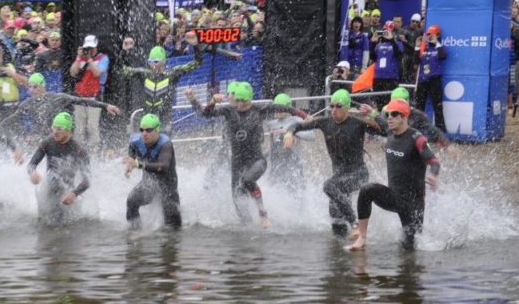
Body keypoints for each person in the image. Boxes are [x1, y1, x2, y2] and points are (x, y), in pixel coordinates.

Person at [186, 81, 302, 227]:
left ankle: (263, 215)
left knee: (248, 180)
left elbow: (284, 107)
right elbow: (204, 113)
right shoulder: (229, 110)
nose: (240, 104)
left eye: (243, 101)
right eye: (238, 100)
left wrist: (305, 116)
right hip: (237, 162)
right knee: (239, 203)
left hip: (257, 160)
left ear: (249, 100)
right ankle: (246, 235)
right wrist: (199, 100)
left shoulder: (258, 109)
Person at [284, 89, 386, 236]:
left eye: (338, 106)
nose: (334, 110)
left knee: (329, 186)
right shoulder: (325, 123)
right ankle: (345, 249)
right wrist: (289, 133)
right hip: (339, 177)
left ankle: (355, 224)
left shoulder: (358, 124)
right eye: (332, 106)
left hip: (358, 174)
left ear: (347, 108)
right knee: (335, 218)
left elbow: (386, 131)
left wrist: (375, 114)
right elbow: (298, 126)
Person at [348, 98, 441, 251]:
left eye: (394, 114)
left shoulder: (417, 138)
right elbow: (380, 119)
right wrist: (371, 112)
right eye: (388, 114)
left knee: (410, 248)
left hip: (413, 204)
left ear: (404, 117)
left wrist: (433, 175)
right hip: (394, 197)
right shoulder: (390, 132)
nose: (389, 117)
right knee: (366, 190)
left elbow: (434, 161)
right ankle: (362, 237)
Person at [0, 72, 120, 148]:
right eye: (30, 87)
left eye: (35, 87)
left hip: (61, 139)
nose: (32, 90)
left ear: (43, 86)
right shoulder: (27, 104)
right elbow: (13, 118)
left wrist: (106, 106)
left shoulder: (58, 98)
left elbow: (82, 100)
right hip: (43, 141)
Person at [27, 112, 91, 224]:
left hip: (68, 192)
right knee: (44, 223)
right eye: (54, 127)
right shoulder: (47, 143)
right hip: (49, 189)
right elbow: (31, 165)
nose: (55, 132)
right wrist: (32, 173)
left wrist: (74, 194)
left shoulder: (79, 149)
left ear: (68, 130)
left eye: (59, 129)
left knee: (72, 225)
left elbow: (87, 180)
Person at [124, 43, 202, 133]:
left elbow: (197, 63)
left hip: (164, 123)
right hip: (147, 121)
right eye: (150, 62)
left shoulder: (171, 74)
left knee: (163, 144)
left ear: (164, 62)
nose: (153, 65)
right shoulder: (144, 74)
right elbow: (120, 70)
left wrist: (195, 45)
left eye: (156, 61)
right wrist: (124, 51)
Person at [122, 113, 181, 229]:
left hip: (168, 187)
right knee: (131, 201)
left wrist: (138, 164)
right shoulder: (135, 141)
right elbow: (132, 154)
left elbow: (163, 166)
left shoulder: (165, 144)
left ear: (157, 130)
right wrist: (130, 163)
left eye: (148, 130)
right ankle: (135, 234)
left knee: (172, 229)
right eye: (142, 130)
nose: (144, 134)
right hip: (149, 184)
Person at [68, 34, 109, 152]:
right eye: (87, 48)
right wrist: (78, 57)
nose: (89, 50)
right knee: (79, 128)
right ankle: (77, 151)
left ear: (96, 47)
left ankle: (94, 151)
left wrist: (90, 59)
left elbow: (97, 73)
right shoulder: (81, 58)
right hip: (80, 97)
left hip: (94, 97)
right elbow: (72, 73)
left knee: (92, 127)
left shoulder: (103, 58)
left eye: (91, 48)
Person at [414, 25, 448, 133]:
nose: (429, 37)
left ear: (438, 35)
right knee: (419, 107)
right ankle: (417, 132)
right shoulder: (424, 46)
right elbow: (415, 62)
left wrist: (437, 42)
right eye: (428, 34)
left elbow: (443, 56)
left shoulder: (439, 47)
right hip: (422, 80)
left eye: (432, 34)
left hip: (434, 80)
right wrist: (417, 47)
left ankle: (440, 133)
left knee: (437, 107)